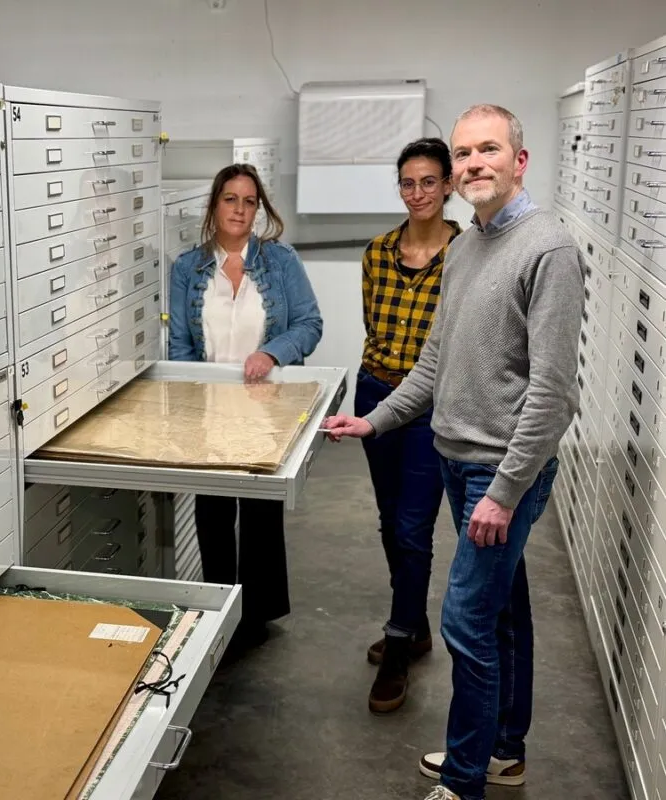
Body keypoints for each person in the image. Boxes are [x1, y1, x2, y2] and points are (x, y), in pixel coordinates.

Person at [323, 104, 583, 800]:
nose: (472, 164)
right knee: (500, 612)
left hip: (499, 473)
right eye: (463, 153)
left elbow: (553, 394)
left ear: (518, 160)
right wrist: (374, 422)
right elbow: (434, 366)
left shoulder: (547, 249)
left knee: (464, 620)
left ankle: (465, 781)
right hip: (452, 457)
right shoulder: (466, 247)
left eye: (487, 150)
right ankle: (503, 752)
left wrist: (501, 491)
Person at [168, 162, 324, 650]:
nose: (240, 209)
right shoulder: (187, 268)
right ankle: (218, 611)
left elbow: (310, 324)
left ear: (260, 209)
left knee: (259, 517)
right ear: (214, 205)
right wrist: (187, 410)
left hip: (265, 408)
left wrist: (272, 352)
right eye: (230, 199)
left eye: (249, 201)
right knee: (212, 517)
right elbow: (179, 348)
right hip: (210, 410)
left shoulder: (281, 262)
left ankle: (255, 617)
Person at [358, 137, 462, 715]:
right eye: (408, 182)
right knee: (388, 520)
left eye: (428, 181)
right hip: (376, 390)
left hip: (430, 406)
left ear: (448, 185)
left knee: (412, 528)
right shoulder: (377, 252)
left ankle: (398, 646)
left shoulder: (469, 254)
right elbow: (375, 325)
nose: (418, 192)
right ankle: (415, 625)